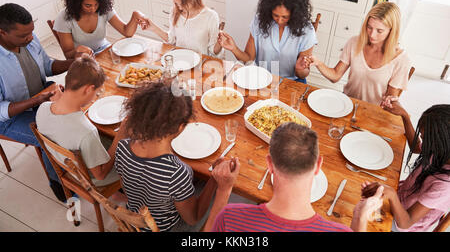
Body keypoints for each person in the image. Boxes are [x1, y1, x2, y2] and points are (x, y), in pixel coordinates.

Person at [206, 122, 383, 232]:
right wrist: (360, 218)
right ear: (318, 166)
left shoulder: (230, 217)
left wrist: (224, 189)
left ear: (269, 165)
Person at [114, 82, 240, 231]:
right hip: (168, 227)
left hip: (137, 217)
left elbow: (127, 187)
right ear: (180, 127)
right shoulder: (176, 173)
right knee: (212, 187)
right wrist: (213, 178)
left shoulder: (122, 147)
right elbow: (193, 218)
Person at [0, 3, 74, 200]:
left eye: (31, 31)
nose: (31, 38)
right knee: (53, 136)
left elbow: (48, 66)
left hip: (42, 96)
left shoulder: (29, 42)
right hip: (10, 120)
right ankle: (59, 182)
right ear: (2, 33)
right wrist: (37, 100)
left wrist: (73, 62)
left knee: (81, 116)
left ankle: (87, 169)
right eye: (23, 35)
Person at [36, 55, 124, 187]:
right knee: (133, 148)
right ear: (88, 89)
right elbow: (100, 175)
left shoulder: (42, 108)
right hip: (92, 178)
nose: (96, 95)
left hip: (69, 166)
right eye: (97, 92)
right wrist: (120, 135)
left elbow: (67, 127)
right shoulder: (87, 132)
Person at [302, 2, 412, 105]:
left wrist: (390, 101)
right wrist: (318, 63)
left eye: (379, 31)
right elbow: (335, 76)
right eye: (369, 27)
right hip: (347, 103)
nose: (372, 35)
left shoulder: (401, 59)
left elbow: (390, 98)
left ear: (392, 31)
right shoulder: (355, 42)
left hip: (374, 112)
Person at [218, 0, 318, 83]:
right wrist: (234, 48)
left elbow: (302, 74)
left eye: (285, 17)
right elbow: (248, 59)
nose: (279, 20)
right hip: (261, 78)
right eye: (275, 15)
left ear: (295, 14)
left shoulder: (307, 30)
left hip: (291, 82)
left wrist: (300, 68)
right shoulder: (260, 21)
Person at [377, 99, 450, 232]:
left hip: (399, 223)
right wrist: (404, 115)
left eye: (424, 137)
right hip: (399, 195)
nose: (421, 140)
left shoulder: (445, 186)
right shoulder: (442, 150)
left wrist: (392, 195)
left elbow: (406, 222)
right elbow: (416, 147)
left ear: (440, 142)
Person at [53, 0, 150, 59]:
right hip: (82, 58)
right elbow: (68, 54)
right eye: (88, 5)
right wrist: (78, 50)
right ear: (77, 2)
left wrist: (134, 16)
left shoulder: (103, 8)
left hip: (104, 50)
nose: (93, 9)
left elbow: (126, 32)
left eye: (96, 4)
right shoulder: (64, 17)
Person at [145, 0, 223, 58]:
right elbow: (171, 40)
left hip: (200, 64)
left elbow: (213, 52)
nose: (180, 8)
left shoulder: (210, 16)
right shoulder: (175, 11)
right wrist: (153, 28)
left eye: (183, 4)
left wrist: (220, 43)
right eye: (176, 4)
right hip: (179, 60)